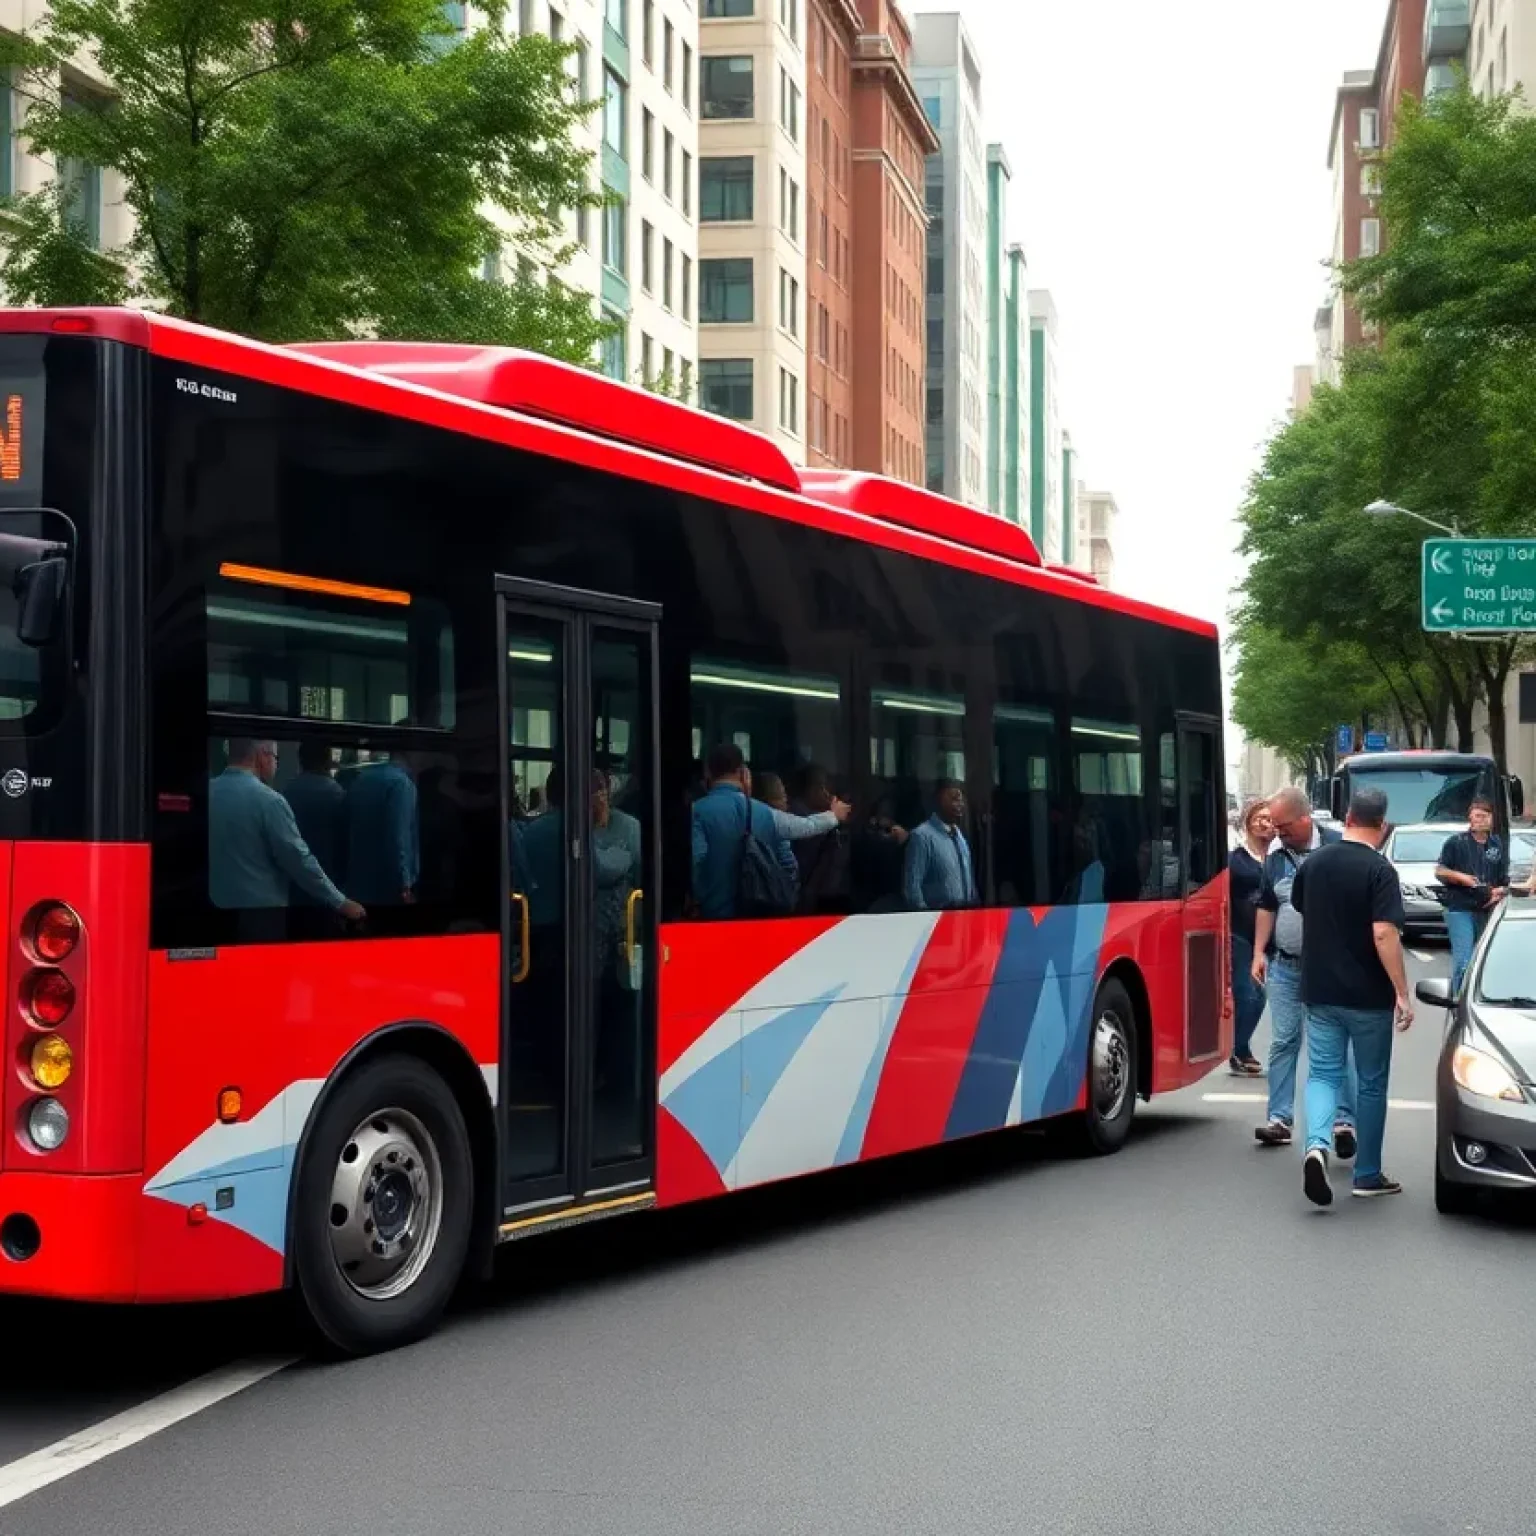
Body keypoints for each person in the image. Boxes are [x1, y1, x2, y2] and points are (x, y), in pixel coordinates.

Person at [1289, 787, 1414, 1204]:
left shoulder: (1315, 862)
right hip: (1368, 997)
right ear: (1382, 825)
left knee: (1323, 1073)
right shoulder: (1380, 871)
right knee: (1372, 1082)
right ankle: (1367, 1174)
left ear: (1346, 818)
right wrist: (1401, 991)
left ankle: (1316, 1146)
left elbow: (1302, 907)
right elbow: (1384, 932)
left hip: (1320, 989)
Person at [1252, 786, 1358, 1153]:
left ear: (1304, 818)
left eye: (1283, 826)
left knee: (1332, 1045)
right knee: (1283, 1041)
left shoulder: (1337, 846)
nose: (1277, 833)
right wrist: (1257, 953)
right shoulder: (1276, 856)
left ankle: (1344, 1122)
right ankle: (1279, 1118)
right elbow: (1266, 905)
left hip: (1328, 969)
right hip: (1284, 965)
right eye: (1274, 827)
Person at [209, 738, 364, 921]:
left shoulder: (209, 792)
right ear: (262, 755)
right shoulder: (269, 801)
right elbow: (297, 858)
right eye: (276, 757)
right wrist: (340, 901)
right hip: (261, 914)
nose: (276, 764)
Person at [690, 744, 848, 920]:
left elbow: (696, 862)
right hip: (756, 917)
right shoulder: (763, 812)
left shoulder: (697, 811)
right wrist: (834, 816)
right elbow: (805, 826)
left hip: (712, 918)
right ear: (743, 772)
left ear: (708, 774)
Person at [1435, 796, 1508, 995]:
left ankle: (1480, 997)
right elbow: (1440, 871)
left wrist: (1499, 891)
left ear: (1491, 819)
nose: (1479, 820)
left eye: (1483, 817)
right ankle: (1458, 1000)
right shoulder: (1455, 842)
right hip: (1460, 908)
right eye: (1475, 816)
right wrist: (1460, 877)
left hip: (1486, 908)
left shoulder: (1496, 844)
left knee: (1484, 959)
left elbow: (1502, 878)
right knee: (1464, 961)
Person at [1227, 797, 1273, 1076]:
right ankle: (1238, 1049)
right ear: (1247, 822)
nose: (1264, 823)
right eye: (1259, 818)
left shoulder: (1279, 858)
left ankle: (1239, 1049)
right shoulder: (1235, 860)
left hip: (1269, 939)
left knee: (1260, 996)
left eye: (1269, 819)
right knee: (1250, 995)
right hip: (1239, 936)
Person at [903, 779, 977, 911]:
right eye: (954, 798)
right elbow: (913, 889)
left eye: (961, 800)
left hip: (965, 917)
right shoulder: (922, 836)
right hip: (936, 920)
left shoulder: (960, 837)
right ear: (939, 799)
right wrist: (926, 918)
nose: (960, 804)